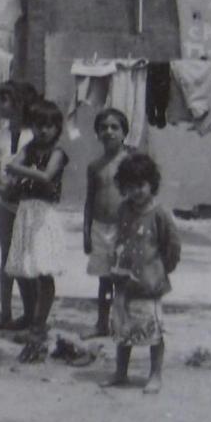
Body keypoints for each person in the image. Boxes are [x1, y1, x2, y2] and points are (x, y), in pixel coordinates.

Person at [104, 153, 181, 394]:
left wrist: (160, 269)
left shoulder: (159, 214)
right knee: (123, 330)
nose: (136, 191)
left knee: (153, 333)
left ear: (151, 184)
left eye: (141, 185)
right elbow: (117, 238)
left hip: (149, 284)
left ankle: (155, 374)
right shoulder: (123, 209)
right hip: (125, 282)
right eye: (130, 186)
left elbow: (173, 246)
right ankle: (120, 372)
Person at [4, 99, 68, 350]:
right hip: (26, 211)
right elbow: (12, 166)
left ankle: (40, 325)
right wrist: (19, 168)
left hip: (43, 213)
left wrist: (22, 169)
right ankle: (31, 317)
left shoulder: (58, 153)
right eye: (39, 125)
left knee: (43, 269)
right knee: (26, 267)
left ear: (57, 128)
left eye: (50, 126)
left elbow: (46, 176)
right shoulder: (30, 148)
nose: (44, 130)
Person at [0, 81, 38, 332]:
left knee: (27, 258)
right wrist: (0, 189)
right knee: (6, 257)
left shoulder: (35, 136)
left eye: (4, 100)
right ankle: (5, 312)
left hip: (30, 205)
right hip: (5, 205)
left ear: (20, 104)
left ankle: (33, 314)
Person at [82, 108, 131, 339]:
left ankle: (121, 324)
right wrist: (86, 232)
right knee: (104, 280)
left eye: (114, 127)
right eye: (104, 127)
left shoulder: (131, 162)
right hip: (100, 228)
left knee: (122, 279)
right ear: (97, 134)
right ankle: (102, 323)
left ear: (124, 133)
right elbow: (89, 200)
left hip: (124, 229)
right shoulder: (94, 166)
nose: (109, 131)